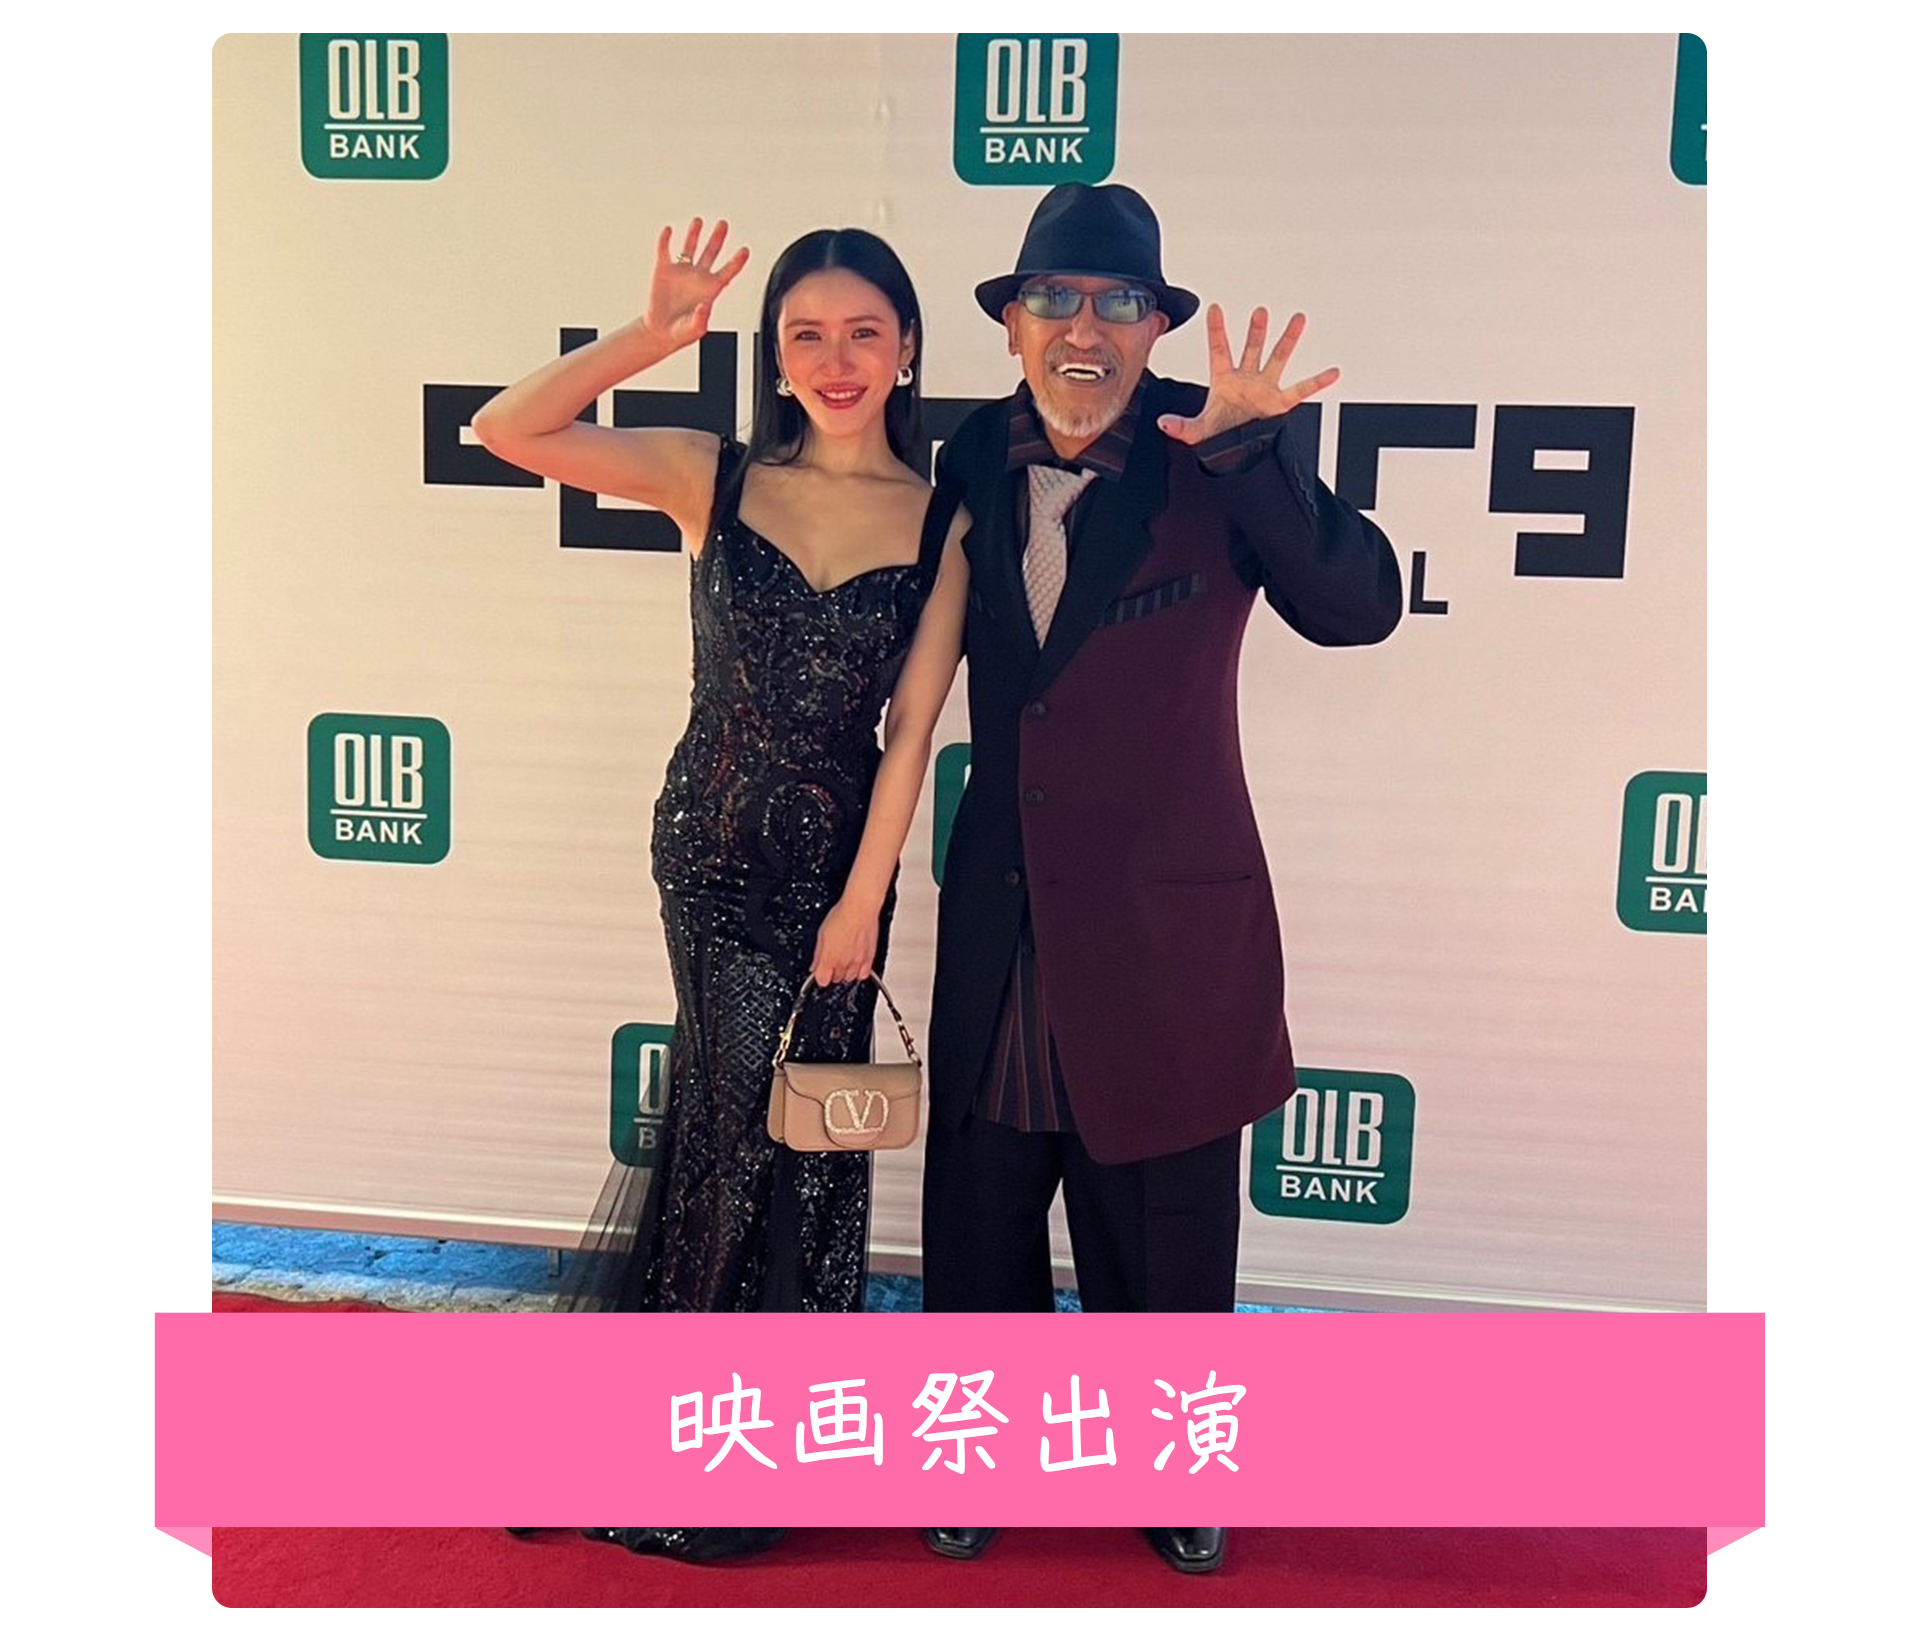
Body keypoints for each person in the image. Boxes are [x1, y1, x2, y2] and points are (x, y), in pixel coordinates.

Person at [918, 183, 1403, 1575]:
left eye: (1118, 303)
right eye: (1055, 300)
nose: (1085, 330)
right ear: (1013, 323)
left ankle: (1179, 1463)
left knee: (1167, 1220)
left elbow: (1358, 605)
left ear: (1155, 326)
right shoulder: (971, 454)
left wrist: (1257, 456)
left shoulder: (1214, 449)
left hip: (1167, 928)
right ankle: (977, 1449)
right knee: (982, 1205)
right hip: (1008, 911)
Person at [475, 217, 970, 1562]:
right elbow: (507, 429)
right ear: (776, 354)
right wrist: (648, 339)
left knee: (794, 1148)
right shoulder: (715, 473)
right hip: (709, 854)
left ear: (907, 348)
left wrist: (862, 902)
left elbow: (912, 734)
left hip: (837, 881)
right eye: (807, 334)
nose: (836, 359)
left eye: (863, 331)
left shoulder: (943, 522)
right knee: (722, 1136)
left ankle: (751, 1435)